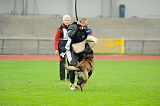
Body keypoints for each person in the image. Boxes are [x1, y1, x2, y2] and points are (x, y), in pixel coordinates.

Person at [65, 18, 92, 90]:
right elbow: (71, 35)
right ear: (79, 23)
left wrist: (88, 32)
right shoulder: (72, 27)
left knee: (90, 69)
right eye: (83, 26)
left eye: (86, 26)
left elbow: (88, 38)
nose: (84, 28)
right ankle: (72, 82)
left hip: (82, 50)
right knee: (73, 65)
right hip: (72, 50)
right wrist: (77, 27)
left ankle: (79, 83)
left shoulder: (86, 29)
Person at [54, 15, 71, 81]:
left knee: (70, 62)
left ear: (70, 21)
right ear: (63, 21)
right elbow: (56, 39)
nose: (67, 21)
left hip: (70, 47)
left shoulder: (72, 28)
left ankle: (69, 77)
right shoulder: (60, 29)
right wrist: (56, 49)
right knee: (62, 63)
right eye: (65, 20)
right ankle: (62, 78)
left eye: (68, 20)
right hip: (62, 47)